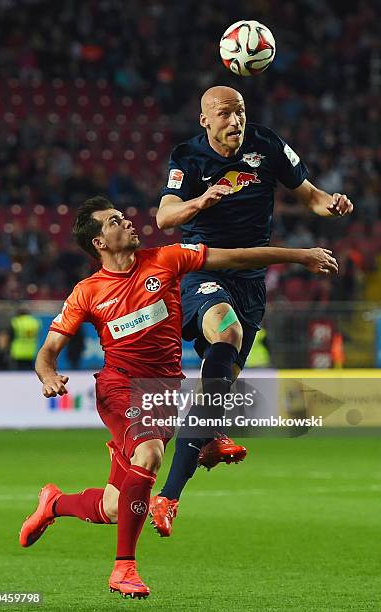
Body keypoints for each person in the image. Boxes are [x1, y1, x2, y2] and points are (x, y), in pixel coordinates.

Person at [19, 196, 337, 599]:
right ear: (99, 242)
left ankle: (54, 504)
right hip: (119, 386)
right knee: (150, 454)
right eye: (116, 221)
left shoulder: (167, 259)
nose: (129, 222)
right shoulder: (87, 292)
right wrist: (48, 377)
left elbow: (237, 257)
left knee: (118, 507)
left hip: (162, 391)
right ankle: (123, 569)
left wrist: (299, 256)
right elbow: (46, 354)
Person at [151, 85, 353, 536]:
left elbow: (312, 195)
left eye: (239, 112)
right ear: (205, 120)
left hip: (251, 279)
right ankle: (169, 493)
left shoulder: (266, 144)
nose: (235, 121)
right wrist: (199, 203)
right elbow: (164, 217)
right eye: (224, 113)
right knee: (227, 335)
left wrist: (332, 205)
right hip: (204, 267)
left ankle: (189, 465)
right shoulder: (188, 156)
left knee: (217, 387)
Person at [9, 305, 41, 370]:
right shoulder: (35, 321)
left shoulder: (16, 321)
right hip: (31, 350)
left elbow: (10, 336)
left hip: (18, 351)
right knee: (29, 372)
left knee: (18, 373)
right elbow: (39, 335)